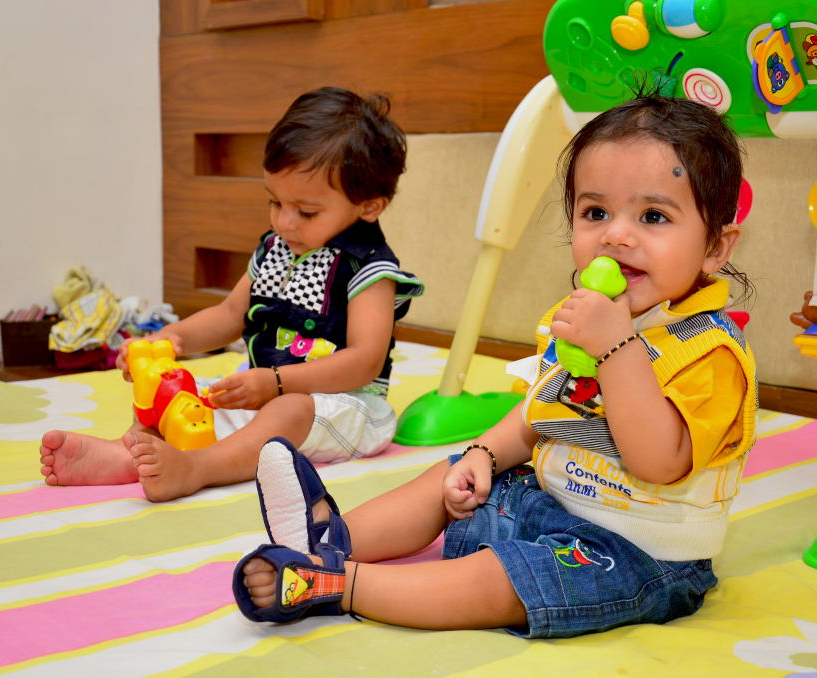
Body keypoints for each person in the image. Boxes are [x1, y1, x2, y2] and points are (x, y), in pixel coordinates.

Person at [232, 92, 758, 638]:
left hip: (635, 554)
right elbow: (542, 411)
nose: (615, 234)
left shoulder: (709, 352)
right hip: (549, 505)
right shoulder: (582, 318)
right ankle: (327, 539)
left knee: (503, 580)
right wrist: (482, 454)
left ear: (716, 247)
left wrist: (616, 350)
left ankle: (335, 585)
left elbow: (659, 461)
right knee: (450, 476)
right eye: (595, 212)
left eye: (653, 216)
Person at [39, 87, 424, 503]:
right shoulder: (277, 249)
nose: (284, 222)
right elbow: (229, 314)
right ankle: (126, 453)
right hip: (266, 391)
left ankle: (199, 468)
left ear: (369, 206)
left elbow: (364, 362)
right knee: (181, 389)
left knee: (287, 410)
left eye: (306, 212)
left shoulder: (368, 270)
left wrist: (277, 382)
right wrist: (171, 339)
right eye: (274, 202)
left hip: (345, 409)